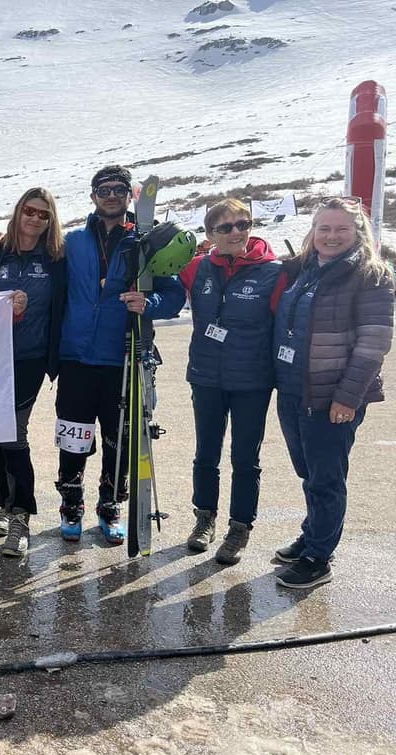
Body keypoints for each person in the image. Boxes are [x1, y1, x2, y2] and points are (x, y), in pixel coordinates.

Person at [55, 165, 185, 545]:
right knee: (73, 437)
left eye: (118, 190)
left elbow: (174, 295)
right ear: (92, 196)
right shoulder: (73, 241)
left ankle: (110, 506)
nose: (111, 196)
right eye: (103, 189)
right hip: (76, 357)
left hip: (123, 357)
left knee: (120, 439)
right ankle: (71, 505)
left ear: (130, 196)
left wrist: (151, 302)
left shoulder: (147, 240)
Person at [272, 196, 394, 588]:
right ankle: (314, 533)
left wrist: (348, 396)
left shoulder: (371, 275)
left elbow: (373, 343)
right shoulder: (306, 268)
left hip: (332, 396)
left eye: (341, 228)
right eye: (324, 228)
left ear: (357, 231)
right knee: (308, 470)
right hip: (294, 389)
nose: (331, 236)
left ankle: (318, 556)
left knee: (326, 476)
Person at [176, 199, 283, 564]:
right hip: (206, 376)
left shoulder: (275, 272)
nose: (237, 232)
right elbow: (157, 277)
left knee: (244, 457)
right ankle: (204, 518)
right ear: (211, 235)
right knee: (206, 452)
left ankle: (239, 528)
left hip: (252, 380)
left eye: (243, 223)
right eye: (226, 227)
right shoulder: (196, 269)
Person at [0, 188, 65, 557]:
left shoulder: (58, 257)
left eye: (43, 214)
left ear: (50, 220)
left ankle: (21, 518)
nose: (34, 218)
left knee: (14, 432)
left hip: (30, 357)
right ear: (18, 212)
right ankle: (5, 504)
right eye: (29, 211)